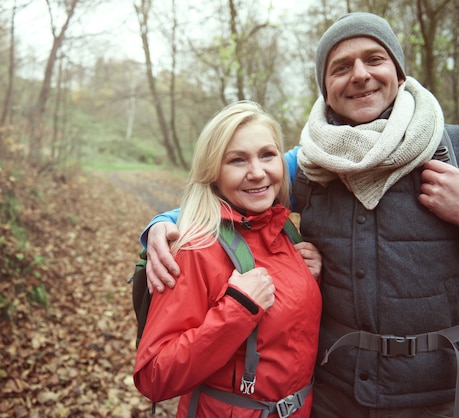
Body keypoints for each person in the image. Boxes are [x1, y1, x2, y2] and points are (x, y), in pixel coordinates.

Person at [140, 13, 459, 418]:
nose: (360, 75)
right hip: (333, 395)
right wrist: (163, 223)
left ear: (399, 74)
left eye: (375, 59)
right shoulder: (311, 163)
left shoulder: (457, 151)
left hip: (438, 395)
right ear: (326, 88)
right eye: (341, 67)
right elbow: (235, 187)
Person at [133, 100, 322, 418]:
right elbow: (154, 376)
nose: (258, 172)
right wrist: (237, 309)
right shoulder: (195, 249)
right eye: (237, 160)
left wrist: (306, 278)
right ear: (213, 172)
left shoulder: (286, 231)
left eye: (267, 155)